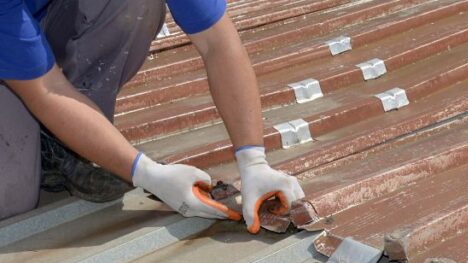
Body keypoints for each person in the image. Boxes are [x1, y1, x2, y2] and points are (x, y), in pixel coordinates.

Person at [0, 0, 304, 232]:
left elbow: (218, 43)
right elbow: (46, 90)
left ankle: (66, 144)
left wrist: (253, 161)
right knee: (11, 199)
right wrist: (148, 174)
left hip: (34, 37)